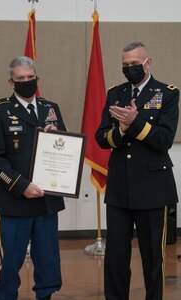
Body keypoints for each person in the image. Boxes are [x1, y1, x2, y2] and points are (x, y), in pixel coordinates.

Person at [95, 42, 179, 300]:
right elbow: (101, 138)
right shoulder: (115, 93)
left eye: (134, 64)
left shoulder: (167, 93)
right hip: (120, 187)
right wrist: (120, 131)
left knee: (153, 257)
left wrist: (134, 123)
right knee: (116, 257)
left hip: (153, 188)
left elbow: (164, 140)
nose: (130, 69)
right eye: (125, 65)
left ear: (148, 62)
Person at [0, 56, 67, 300]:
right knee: (10, 262)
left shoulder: (52, 108)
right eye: (21, 79)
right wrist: (21, 186)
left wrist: (57, 135)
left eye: (30, 78)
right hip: (14, 201)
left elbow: (64, 148)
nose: (26, 82)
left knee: (48, 260)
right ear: (11, 82)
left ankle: (46, 295)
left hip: (45, 200)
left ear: (37, 78)